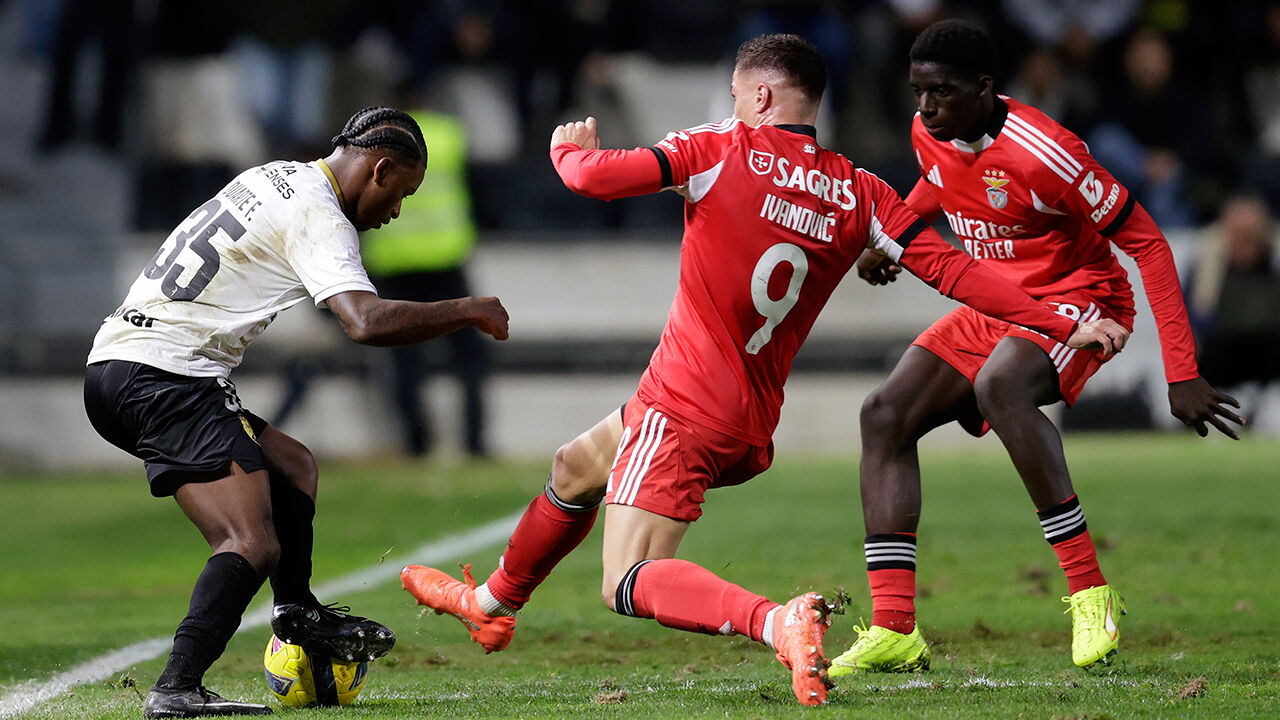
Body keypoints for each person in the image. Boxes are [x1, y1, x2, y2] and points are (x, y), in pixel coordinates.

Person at [400, 34, 1127, 707]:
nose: (732, 106)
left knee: (625, 581)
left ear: (763, 98)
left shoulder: (720, 149)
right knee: (577, 465)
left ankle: (776, 623)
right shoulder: (861, 192)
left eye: (738, 94)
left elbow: (592, 179)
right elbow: (957, 273)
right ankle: (491, 607)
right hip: (748, 419)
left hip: (682, 406)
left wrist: (568, 149)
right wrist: (1060, 319)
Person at [826, 19, 1244, 679]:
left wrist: (1181, 372)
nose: (925, 107)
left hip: (1083, 301)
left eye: (941, 92)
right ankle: (894, 629)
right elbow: (941, 184)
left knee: (1001, 386)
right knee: (883, 414)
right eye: (917, 92)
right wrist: (896, 234)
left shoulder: (1048, 150)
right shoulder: (927, 129)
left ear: (985, 87)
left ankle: (1089, 595)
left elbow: (1149, 245)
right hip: (995, 304)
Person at [83, 106, 509, 718]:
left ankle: (295, 611)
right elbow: (363, 322)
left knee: (292, 465)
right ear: (380, 167)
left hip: (123, 366)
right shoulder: (320, 212)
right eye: (401, 194)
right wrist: (466, 309)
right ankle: (177, 688)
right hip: (162, 377)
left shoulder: (278, 174)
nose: (395, 212)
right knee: (250, 541)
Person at [361, 109, 492, 458]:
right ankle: (475, 442)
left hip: (393, 259)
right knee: (471, 356)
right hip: (444, 257)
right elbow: (478, 190)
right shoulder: (448, 132)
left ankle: (416, 444)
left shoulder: (373, 136)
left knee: (404, 361)